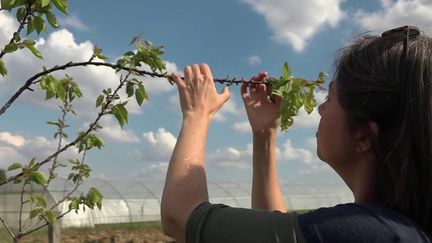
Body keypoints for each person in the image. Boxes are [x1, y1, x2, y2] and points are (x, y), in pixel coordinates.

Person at [160, 25, 432, 243]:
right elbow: (279, 231)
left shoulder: (365, 232)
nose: (320, 108)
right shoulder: (395, 227)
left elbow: (179, 217)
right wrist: (264, 134)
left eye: (332, 97)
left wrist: (197, 114)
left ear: (362, 136)